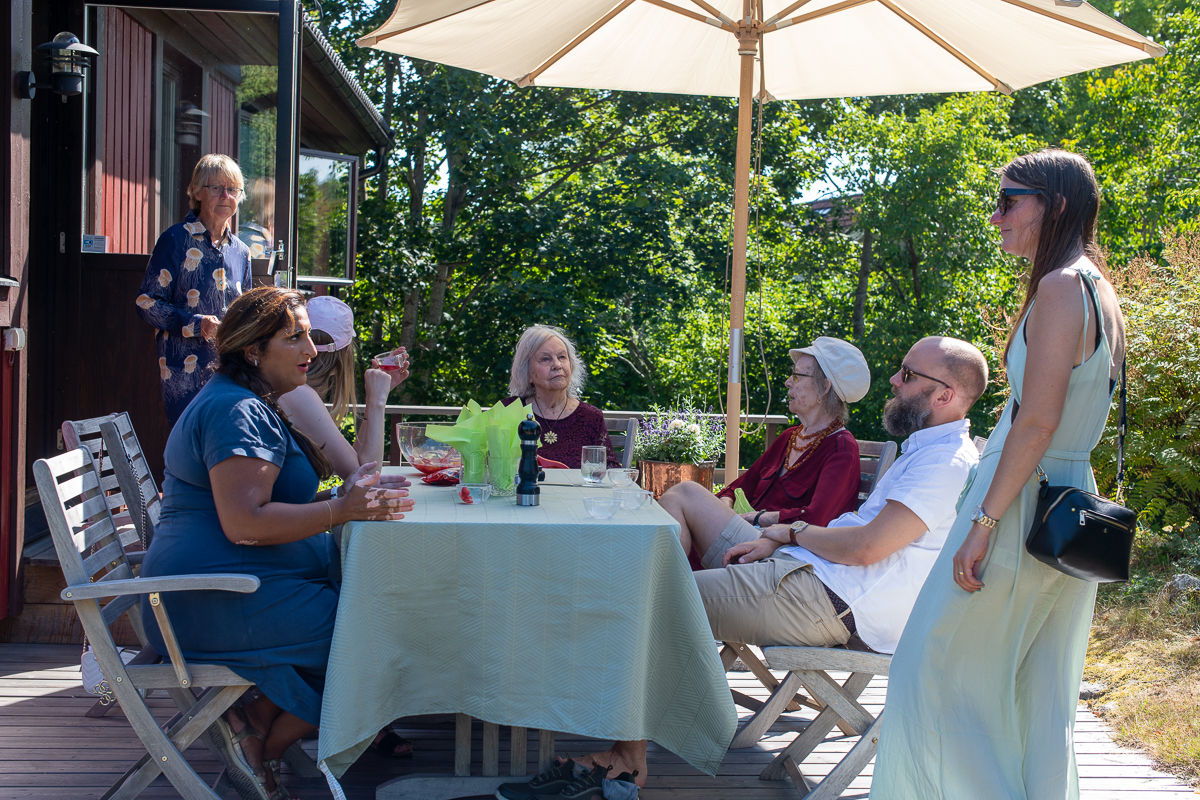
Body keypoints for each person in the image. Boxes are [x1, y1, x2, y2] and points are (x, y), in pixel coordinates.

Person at [518, 336, 989, 792]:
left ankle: (626, 758)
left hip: (829, 600)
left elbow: (867, 548)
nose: (893, 380)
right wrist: (781, 536)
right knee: (683, 500)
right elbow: (847, 531)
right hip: (806, 569)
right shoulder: (923, 451)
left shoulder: (944, 463)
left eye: (907, 375)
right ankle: (639, 669)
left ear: (945, 394)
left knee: (645, 598)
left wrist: (792, 532)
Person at [871, 151, 1126, 800]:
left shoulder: (1063, 287)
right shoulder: (1097, 288)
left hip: (1022, 506)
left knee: (937, 677)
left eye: (1010, 200)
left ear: (1057, 205)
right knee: (1031, 696)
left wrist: (983, 522)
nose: (996, 216)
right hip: (1066, 507)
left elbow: (1037, 422)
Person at [137, 287, 414, 800]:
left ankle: (254, 734)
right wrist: (341, 509)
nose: (312, 350)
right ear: (253, 352)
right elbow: (246, 523)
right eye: (296, 338)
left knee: (380, 616)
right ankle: (261, 742)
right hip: (213, 597)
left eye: (310, 335)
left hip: (238, 585)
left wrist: (341, 498)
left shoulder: (244, 401)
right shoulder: (236, 412)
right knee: (380, 637)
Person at [659, 337, 868, 569]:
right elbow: (737, 488)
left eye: (798, 376)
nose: (789, 382)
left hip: (779, 553)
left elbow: (816, 519)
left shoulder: (841, 449)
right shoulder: (789, 438)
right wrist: (724, 508)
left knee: (682, 492)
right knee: (673, 502)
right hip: (750, 537)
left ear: (825, 387)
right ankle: (672, 587)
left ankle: (668, 589)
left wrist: (757, 517)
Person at [136, 153, 253, 426]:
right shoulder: (175, 239)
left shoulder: (242, 252)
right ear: (197, 192)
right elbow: (145, 302)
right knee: (191, 448)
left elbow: (246, 313)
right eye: (217, 188)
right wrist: (195, 323)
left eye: (232, 189)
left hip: (233, 371)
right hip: (185, 373)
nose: (226, 195)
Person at [278, 295, 410, 481]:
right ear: (347, 351)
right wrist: (376, 402)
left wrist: (381, 394)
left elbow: (351, 465)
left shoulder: (294, 390)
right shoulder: (299, 394)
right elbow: (366, 477)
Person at [501, 324, 618, 469]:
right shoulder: (508, 411)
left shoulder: (591, 417)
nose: (557, 365)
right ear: (528, 372)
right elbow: (488, 465)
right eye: (545, 359)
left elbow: (610, 471)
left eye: (562, 357)